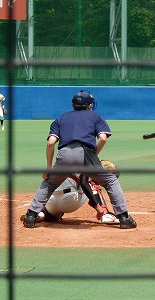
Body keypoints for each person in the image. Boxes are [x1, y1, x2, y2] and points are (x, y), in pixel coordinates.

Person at [21, 90, 136, 229]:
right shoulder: (95, 116)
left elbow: (51, 143)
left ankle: (31, 216)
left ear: (72, 105)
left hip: (64, 154)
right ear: (89, 105)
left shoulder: (61, 118)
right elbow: (103, 138)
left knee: (50, 183)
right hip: (86, 154)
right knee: (110, 181)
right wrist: (93, 154)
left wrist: (48, 167)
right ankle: (124, 218)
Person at [33, 170, 120, 224]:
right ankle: (105, 214)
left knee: (53, 217)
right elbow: (84, 183)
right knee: (91, 183)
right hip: (69, 201)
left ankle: (41, 213)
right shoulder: (85, 161)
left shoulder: (61, 158)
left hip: (50, 200)